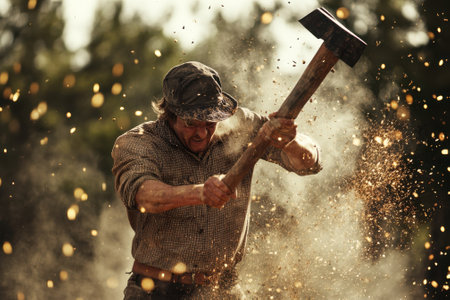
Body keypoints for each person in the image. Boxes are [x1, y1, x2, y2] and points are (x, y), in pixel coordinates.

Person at [112, 61, 321, 299]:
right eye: (191, 123)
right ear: (170, 114)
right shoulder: (138, 143)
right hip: (156, 291)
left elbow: (309, 163)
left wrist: (289, 143)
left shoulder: (242, 125)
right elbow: (144, 196)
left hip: (223, 290)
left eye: (209, 122)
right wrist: (200, 193)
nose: (201, 133)